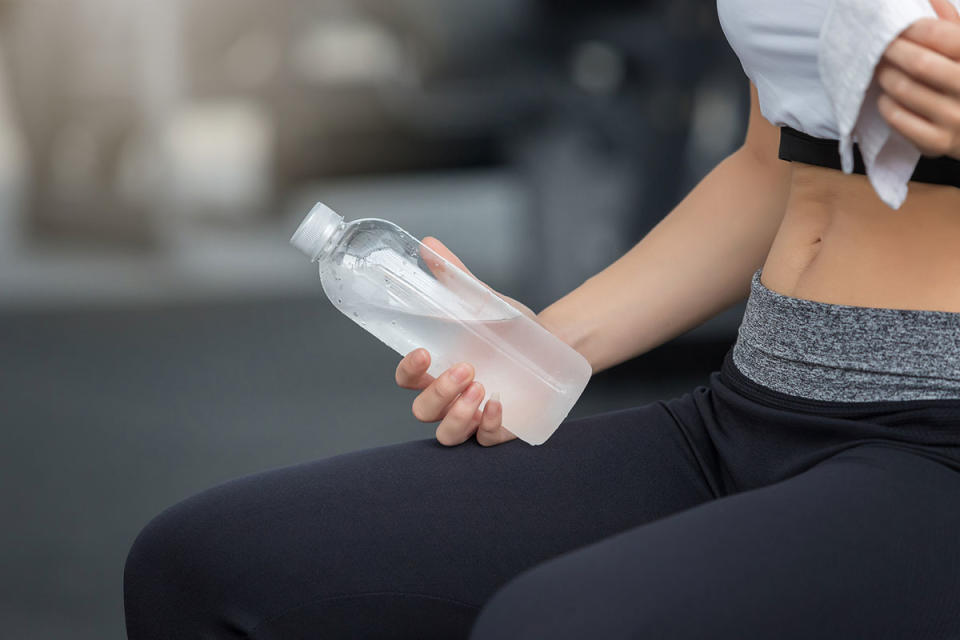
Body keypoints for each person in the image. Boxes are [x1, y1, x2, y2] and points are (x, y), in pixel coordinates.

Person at [123, 1, 960, 638]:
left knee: (553, 624)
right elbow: (770, 163)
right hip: (750, 410)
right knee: (203, 567)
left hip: (938, 442)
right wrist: (540, 343)